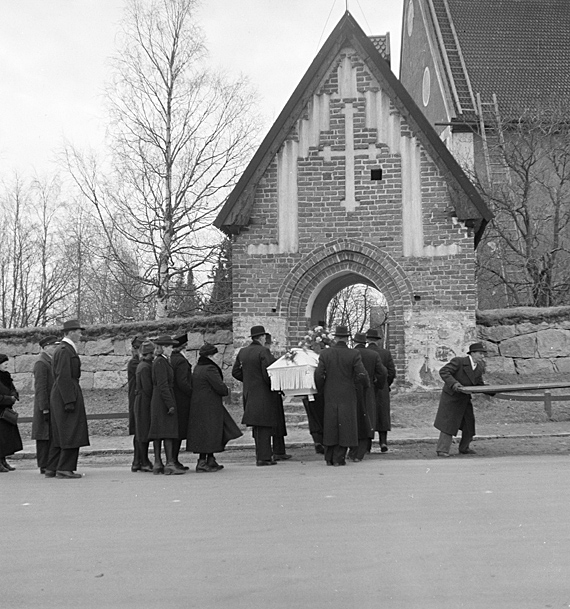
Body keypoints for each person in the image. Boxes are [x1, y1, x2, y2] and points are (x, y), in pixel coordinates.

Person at [314, 325, 369, 466]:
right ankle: (339, 458)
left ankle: (329, 457)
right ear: (347, 338)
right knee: (345, 425)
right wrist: (359, 385)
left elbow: (319, 375)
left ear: (336, 337)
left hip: (330, 393)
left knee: (330, 424)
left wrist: (322, 389)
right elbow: (362, 374)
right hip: (348, 394)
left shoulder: (325, 354)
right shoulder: (354, 354)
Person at [187, 343, 242, 472]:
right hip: (209, 405)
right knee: (211, 432)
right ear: (211, 356)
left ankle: (210, 459)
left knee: (210, 432)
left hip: (201, 405)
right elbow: (219, 386)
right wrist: (226, 390)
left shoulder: (198, 367)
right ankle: (202, 462)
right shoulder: (210, 369)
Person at [232, 325, 282, 466]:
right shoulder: (263, 351)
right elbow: (269, 372)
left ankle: (261, 455)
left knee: (257, 427)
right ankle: (264, 458)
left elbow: (235, 372)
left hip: (249, 393)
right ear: (261, 337)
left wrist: (248, 380)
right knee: (265, 426)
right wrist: (274, 386)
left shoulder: (243, 351)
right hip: (264, 393)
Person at [46, 320, 90, 479]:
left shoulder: (64, 349)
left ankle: (52, 467)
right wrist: (69, 400)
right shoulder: (65, 350)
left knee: (61, 433)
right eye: (78, 331)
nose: (80, 334)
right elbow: (63, 376)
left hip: (63, 393)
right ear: (70, 332)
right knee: (71, 432)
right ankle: (64, 468)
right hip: (66, 393)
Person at [434, 342, 488, 457]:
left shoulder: (479, 367)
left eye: (484, 354)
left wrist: (492, 390)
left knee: (469, 424)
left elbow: (478, 384)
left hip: (464, 398)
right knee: (448, 424)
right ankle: (442, 450)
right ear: (472, 353)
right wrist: (454, 384)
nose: (482, 356)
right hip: (452, 398)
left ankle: (464, 448)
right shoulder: (459, 361)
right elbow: (444, 371)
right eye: (480, 353)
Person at [147, 335, 185, 475]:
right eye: (168, 346)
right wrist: (170, 404)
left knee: (159, 432)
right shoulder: (161, 362)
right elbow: (163, 385)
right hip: (162, 400)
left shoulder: (161, 361)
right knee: (167, 432)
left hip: (159, 399)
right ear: (162, 347)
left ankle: (159, 463)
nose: (171, 349)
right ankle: (168, 463)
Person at [348, 332, 387, 462]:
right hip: (369, 390)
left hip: (352, 390)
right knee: (367, 419)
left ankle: (352, 450)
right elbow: (383, 373)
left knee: (354, 420)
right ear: (365, 342)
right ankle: (361, 452)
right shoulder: (373, 354)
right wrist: (377, 386)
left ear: (354, 342)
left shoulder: (350, 354)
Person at [366, 328, 396, 452]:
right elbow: (391, 372)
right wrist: (385, 384)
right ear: (378, 340)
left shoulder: (361, 352)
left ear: (367, 340)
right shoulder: (385, 353)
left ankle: (367, 444)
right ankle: (383, 442)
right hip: (382, 387)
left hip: (367, 388)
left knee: (367, 414)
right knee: (382, 413)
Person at [32, 335, 59, 474]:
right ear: (46, 347)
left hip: (50, 404)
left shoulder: (49, 361)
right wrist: (44, 408)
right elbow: (40, 388)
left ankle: (48, 463)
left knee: (49, 435)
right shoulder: (41, 363)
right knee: (44, 436)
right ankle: (44, 464)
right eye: (54, 346)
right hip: (45, 405)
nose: (56, 349)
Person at [264, 333, 291, 461]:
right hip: (272, 393)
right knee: (276, 423)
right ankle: (278, 451)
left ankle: (278, 450)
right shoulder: (266, 355)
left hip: (267, 393)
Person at [170, 333, 192, 471]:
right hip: (182, 400)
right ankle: (174, 459)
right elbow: (183, 382)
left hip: (173, 398)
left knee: (174, 432)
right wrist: (192, 393)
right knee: (178, 432)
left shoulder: (170, 359)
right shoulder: (181, 361)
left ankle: (173, 458)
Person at [133, 341, 155, 472]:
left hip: (141, 400)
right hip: (144, 402)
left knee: (140, 432)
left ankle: (138, 461)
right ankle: (144, 461)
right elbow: (148, 388)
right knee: (143, 432)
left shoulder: (142, 365)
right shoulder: (145, 367)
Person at [0, 353, 23, 472]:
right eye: (4, 363)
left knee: (6, 439)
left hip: (7, 411)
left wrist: (14, 396)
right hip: (0, 411)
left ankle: (3, 461)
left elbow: (13, 389)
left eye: (7, 363)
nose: (6, 365)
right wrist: (8, 399)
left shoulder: (6, 376)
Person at [127, 334, 145, 472]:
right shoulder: (135, 363)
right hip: (136, 398)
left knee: (140, 431)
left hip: (136, 397)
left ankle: (138, 460)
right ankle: (138, 460)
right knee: (139, 431)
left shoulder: (136, 362)